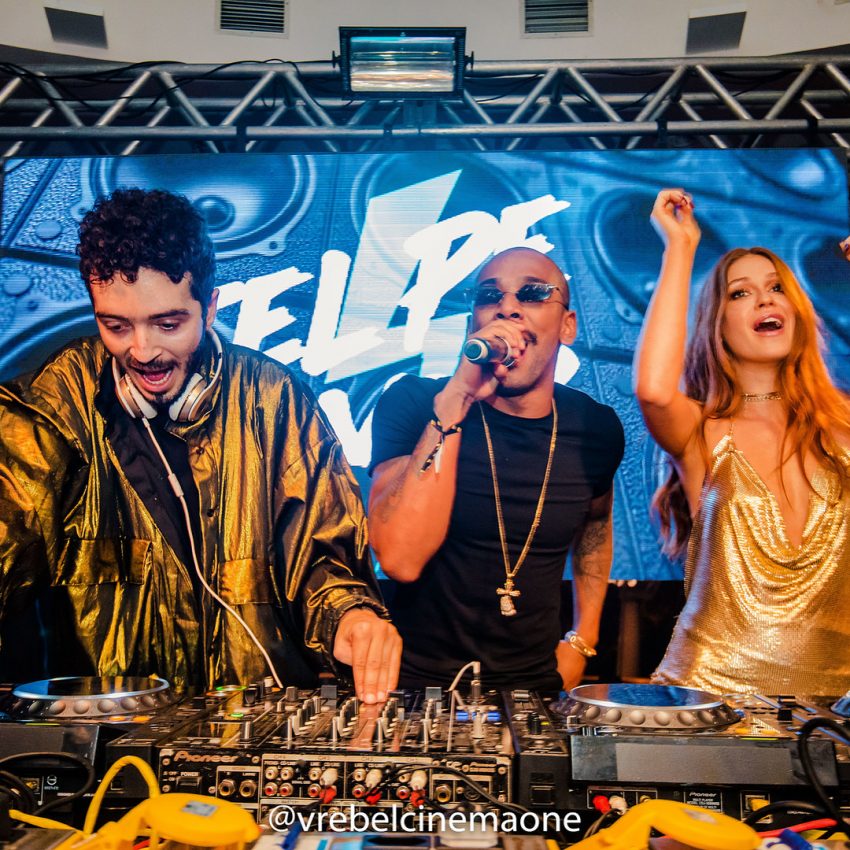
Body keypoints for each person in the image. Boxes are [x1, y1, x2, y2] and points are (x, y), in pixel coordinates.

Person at [0, 187, 400, 701]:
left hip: (255, 714)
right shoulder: (58, 400)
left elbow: (322, 561)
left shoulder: (273, 399)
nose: (142, 350)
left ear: (209, 308)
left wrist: (350, 616)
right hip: (108, 727)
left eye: (168, 324)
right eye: (115, 326)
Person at [368, 247, 624, 692]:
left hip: (536, 689)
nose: (507, 307)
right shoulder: (415, 403)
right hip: (414, 689)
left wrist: (584, 640)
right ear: (473, 324)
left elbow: (596, 528)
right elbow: (399, 560)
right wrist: (456, 401)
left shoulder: (594, 428)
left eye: (533, 293)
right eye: (490, 296)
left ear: (567, 326)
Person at [634, 188, 850, 696]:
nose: (765, 299)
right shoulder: (701, 430)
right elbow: (653, 390)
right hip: (709, 703)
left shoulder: (843, 429)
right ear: (719, 324)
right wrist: (680, 246)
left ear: (796, 310)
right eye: (740, 293)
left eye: (776, 288)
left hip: (832, 716)